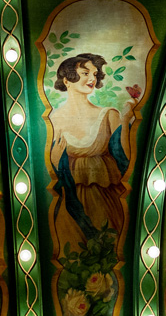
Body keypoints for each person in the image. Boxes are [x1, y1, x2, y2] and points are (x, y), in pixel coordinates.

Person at [48, 53, 136, 250]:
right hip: (70, 206)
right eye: (84, 73)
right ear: (67, 80)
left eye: (95, 74)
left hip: (105, 201)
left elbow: (126, 160)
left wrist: (126, 119)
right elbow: (50, 169)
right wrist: (55, 157)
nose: (92, 79)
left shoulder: (109, 115)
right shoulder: (53, 120)